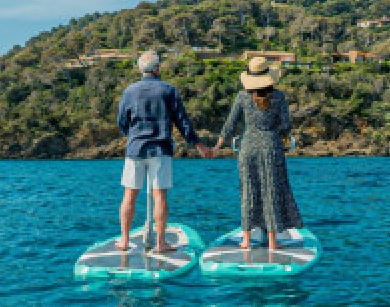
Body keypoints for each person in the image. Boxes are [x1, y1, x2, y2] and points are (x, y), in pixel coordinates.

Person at [116, 50, 212, 251]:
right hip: (160, 149)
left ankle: (124, 240)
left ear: (140, 69)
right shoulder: (168, 90)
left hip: (135, 149)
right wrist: (198, 145)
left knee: (129, 196)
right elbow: (182, 122)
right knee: (159, 196)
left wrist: (131, 135)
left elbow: (122, 122)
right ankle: (161, 242)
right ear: (158, 68)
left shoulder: (129, 91)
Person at [214, 56, 305, 251]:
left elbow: (230, 124)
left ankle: (246, 240)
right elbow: (285, 126)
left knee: (248, 191)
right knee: (271, 191)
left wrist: (217, 146)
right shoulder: (278, 97)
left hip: (248, 147)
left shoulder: (242, 97)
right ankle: (272, 242)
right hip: (271, 146)